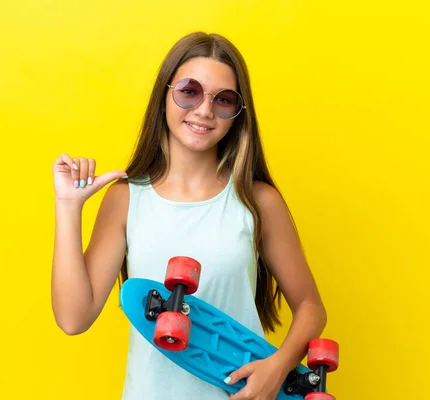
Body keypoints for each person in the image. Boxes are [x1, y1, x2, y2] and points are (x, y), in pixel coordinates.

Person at [51, 31, 328, 400]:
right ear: (164, 94)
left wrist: (277, 368)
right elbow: (73, 318)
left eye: (223, 100)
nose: (204, 110)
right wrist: (68, 207)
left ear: (237, 114)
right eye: (189, 91)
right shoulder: (127, 198)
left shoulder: (256, 201)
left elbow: (311, 307)